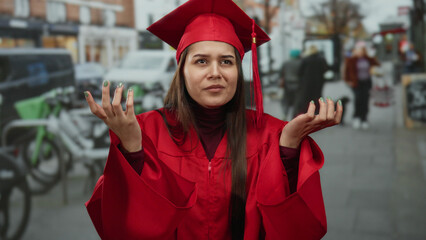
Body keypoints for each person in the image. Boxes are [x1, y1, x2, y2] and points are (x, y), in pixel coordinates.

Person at [84, 0, 343, 239]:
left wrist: (288, 148)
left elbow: (296, 230)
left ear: (238, 71)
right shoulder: (144, 131)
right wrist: (132, 150)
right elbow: (119, 224)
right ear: (182, 71)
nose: (215, 72)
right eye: (201, 61)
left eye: (226, 61)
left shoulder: (270, 134)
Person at [344, 45, 379, 130]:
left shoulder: (368, 59)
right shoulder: (351, 60)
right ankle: (356, 117)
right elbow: (346, 72)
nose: (360, 53)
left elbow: (377, 65)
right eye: (358, 51)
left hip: (366, 82)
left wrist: (372, 57)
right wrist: (348, 81)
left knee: (365, 100)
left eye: (361, 51)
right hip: (356, 83)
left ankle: (364, 119)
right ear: (355, 51)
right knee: (358, 99)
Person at [293, 45, 329, 118]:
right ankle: (318, 112)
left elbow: (300, 72)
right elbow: (326, 69)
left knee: (307, 97)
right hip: (319, 81)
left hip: (307, 82)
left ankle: (307, 112)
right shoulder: (321, 59)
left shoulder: (306, 59)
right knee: (318, 96)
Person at [279, 49, 302, 121]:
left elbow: (281, 73)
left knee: (286, 100)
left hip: (287, 84)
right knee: (296, 100)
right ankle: (294, 115)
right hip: (298, 84)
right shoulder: (301, 62)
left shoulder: (286, 63)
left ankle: (285, 114)